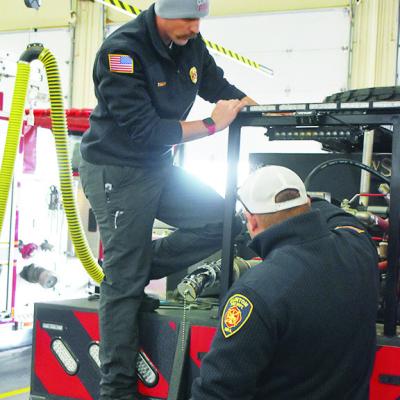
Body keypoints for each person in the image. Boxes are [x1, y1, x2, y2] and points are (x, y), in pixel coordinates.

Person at [79, 0, 256, 398]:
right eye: (188, 18)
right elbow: (146, 130)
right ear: (162, 9)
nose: (195, 27)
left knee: (222, 223)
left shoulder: (190, 42)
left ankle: (130, 266)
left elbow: (217, 87)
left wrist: (256, 108)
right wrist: (212, 123)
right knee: (124, 285)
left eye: (199, 19)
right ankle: (117, 389)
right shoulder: (121, 51)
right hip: (117, 169)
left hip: (156, 167)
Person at [191, 165, 380, 400]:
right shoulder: (357, 246)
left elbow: (217, 393)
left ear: (252, 221)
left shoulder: (253, 294)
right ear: (308, 204)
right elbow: (342, 217)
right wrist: (298, 201)